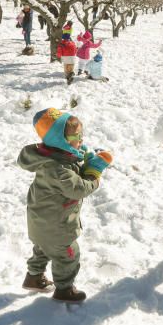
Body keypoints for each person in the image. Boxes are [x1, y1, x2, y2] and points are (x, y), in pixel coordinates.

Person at [18, 107, 113, 303]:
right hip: (58, 227)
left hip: (39, 222)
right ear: (60, 142)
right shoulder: (58, 169)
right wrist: (93, 171)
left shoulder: (50, 157)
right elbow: (79, 189)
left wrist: (80, 157)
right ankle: (64, 289)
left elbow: (67, 165)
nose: (80, 140)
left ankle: (33, 277)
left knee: (43, 248)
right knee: (68, 256)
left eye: (81, 135)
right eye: (75, 138)